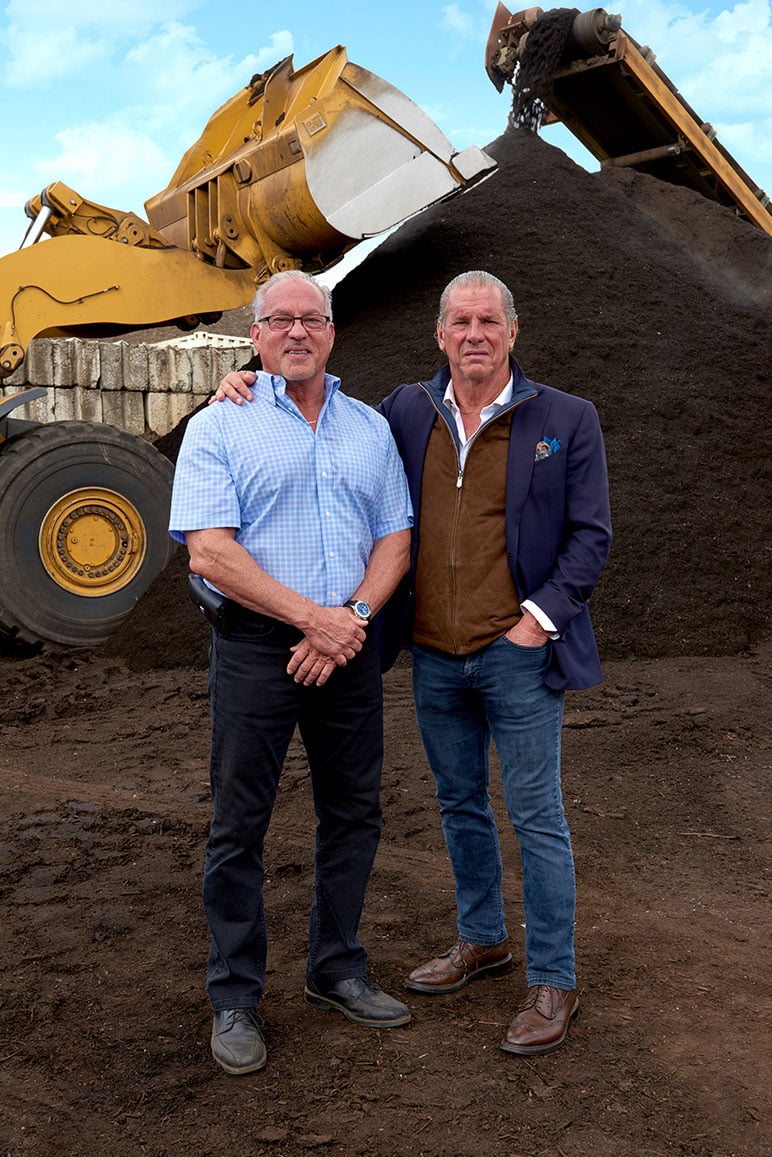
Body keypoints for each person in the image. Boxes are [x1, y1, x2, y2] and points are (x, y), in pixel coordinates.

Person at [215, 269, 611, 1058]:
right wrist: (247, 380)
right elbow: (314, 406)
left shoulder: (565, 418)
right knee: (459, 804)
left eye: (488, 321)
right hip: (433, 655)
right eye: (459, 320)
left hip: (518, 654)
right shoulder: (401, 412)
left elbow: (590, 535)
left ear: (512, 330)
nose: (474, 333)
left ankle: (554, 976)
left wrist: (538, 623)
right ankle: (482, 938)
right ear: (438, 334)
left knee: (536, 815)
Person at [169, 269, 414, 1077]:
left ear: (333, 332)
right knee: (240, 823)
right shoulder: (219, 426)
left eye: (312, 318)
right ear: (257, 334)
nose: (298, 331)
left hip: (349, 645)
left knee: (354, 811)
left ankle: (336, 966)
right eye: (281, 319)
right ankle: (235, 993)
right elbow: (210, 549)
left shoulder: (370, 428)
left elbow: (394, 541)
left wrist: (352, 622)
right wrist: (313, 618)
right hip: (257, 651)